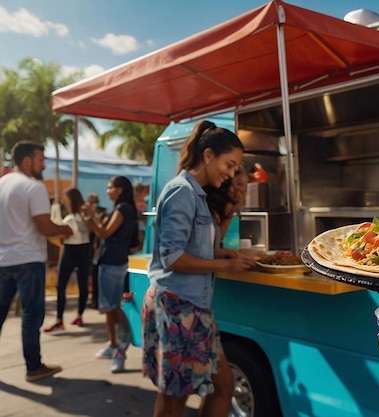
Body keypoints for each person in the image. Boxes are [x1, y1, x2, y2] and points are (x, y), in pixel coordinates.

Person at [142, 121, 256, 417]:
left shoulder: (198, 195)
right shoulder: (181, 192)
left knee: (223, 386)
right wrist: (225, 264)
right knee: (173, 400)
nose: (231, 174)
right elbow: (172, 257)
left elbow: (198, 249)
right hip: (177, 307)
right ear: (208, 155)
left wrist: (228, 252)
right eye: (229, 165)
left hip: (195, 308)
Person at [0, 141, 73, 382]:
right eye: (41, 159)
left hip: (3, 259)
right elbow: (44, 226)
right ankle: (34, 366)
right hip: (28, 259)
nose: (44, 164)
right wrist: (64, 229)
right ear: (27, 161)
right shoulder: (33, 187)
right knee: (32, 315)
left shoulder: (2, 184)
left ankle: (34, 365)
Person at [82, 176, 138, 373]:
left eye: (110, 187)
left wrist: (90, 217)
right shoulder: (128, 210)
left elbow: (104, 233)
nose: (107, 190)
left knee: (112, 306)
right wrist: (92, 219)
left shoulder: (122, 210)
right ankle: (114, 344)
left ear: (120, 190)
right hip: (117, 261)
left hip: (111, 262)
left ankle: (121, 345)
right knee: (109, 306)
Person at [44, 188, 92, 332]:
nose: (63, 201)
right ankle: (79, 315)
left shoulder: (72, 218)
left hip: (71, 250)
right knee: (81, 284)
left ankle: (60, 319)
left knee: (62, 285)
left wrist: (61, 235)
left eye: (65, 198)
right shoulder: (83, 216)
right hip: (84, 249)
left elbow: (65, 234)